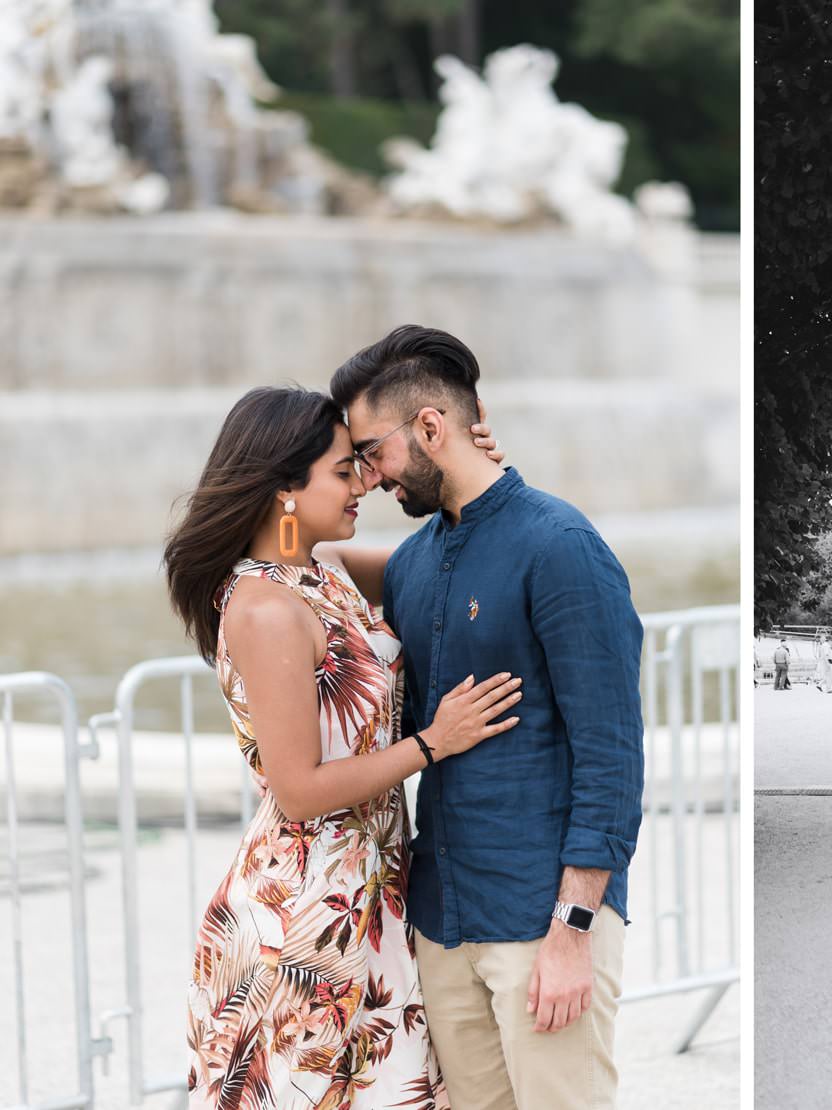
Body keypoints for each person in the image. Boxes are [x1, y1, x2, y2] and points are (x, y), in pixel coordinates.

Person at [165, 386, 518, 1106]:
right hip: (306, 908)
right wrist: (432, 743)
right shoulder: (264, 608)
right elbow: (296, 790)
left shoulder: (318, 570)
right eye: (341, 471)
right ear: (283, 491)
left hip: (374, 886)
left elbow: (443, 560)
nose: (362, 484)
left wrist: (467, 476)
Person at [333, 326, 645, 1109]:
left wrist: (574, 929)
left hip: (542, 921)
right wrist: (284, 500)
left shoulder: (561, 545)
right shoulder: (410, 562)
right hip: (443, 921)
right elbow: (297, 553)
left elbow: (611, 753)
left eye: (373, 453)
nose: (368, 480)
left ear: (431, 427)